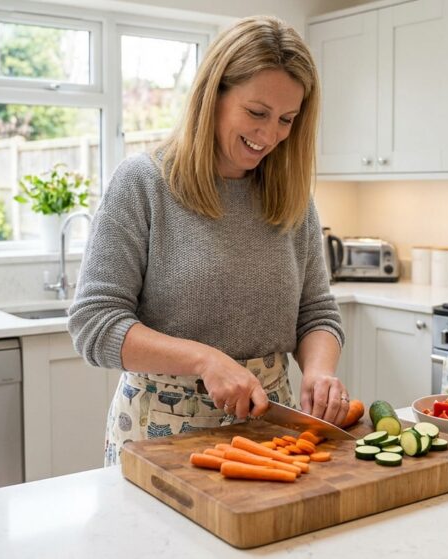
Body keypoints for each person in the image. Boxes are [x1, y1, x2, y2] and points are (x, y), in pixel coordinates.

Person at [67, 15, 348, 466]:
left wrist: (319, 371)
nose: (270, 135)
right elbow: (94, 324)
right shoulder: (144, 183)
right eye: (257, 113)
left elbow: (315, 312)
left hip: (270, 435)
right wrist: (205, 361)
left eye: (286, 120)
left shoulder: (292, 197)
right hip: (159, 434)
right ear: (213, 95)